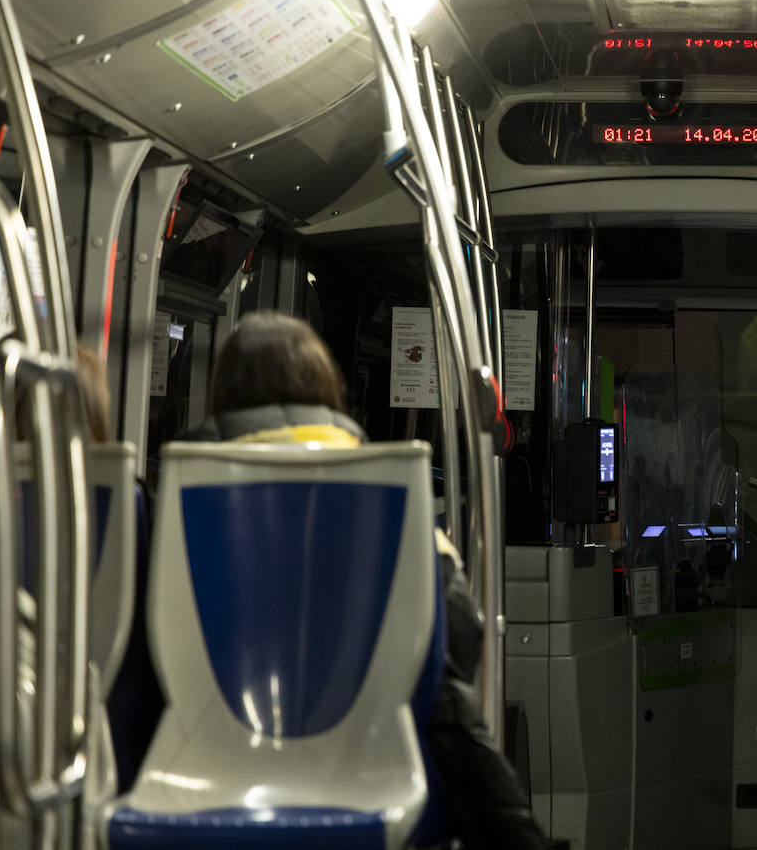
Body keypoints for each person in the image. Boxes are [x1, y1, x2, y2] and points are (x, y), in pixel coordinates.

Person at [186, 311, 551, 850]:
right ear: (323, 385)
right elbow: (459, 629)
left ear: (223, 392)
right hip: (366, 754)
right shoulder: (381, 482)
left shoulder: (184, 478)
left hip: (204, 749)